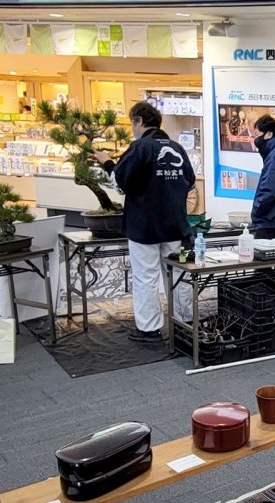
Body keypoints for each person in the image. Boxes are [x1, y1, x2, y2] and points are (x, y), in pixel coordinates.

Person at [93, 101, 196, 342]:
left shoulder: (140, 148)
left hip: (145, 226)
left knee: (146, 277)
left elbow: (120, 182)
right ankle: (185, 321)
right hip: (175, 226)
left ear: (139, 121)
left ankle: (150, 328)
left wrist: (107, 162)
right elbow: (190, 182)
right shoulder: (177, 148)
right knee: (178, 273)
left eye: (132, 123)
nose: (132, 129)